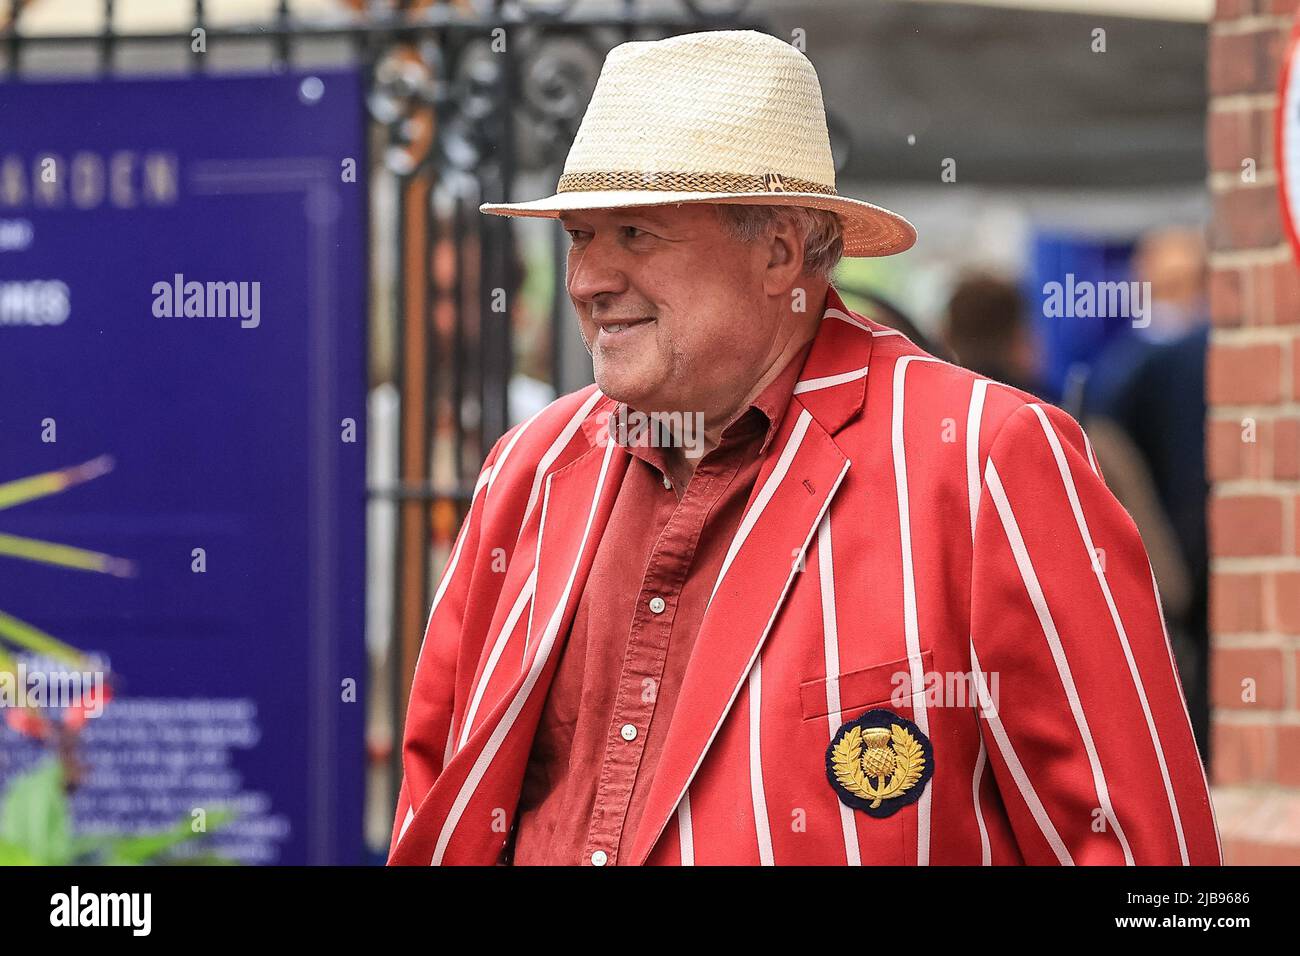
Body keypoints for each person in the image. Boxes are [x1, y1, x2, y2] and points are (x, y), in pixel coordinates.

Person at [388, 30, 1219, 866]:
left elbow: (1144, 852)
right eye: (578, 235)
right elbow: (438, 803)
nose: (587, 279)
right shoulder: (530, 468)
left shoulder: (984, 459)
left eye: (635, 233)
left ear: (780, 250)